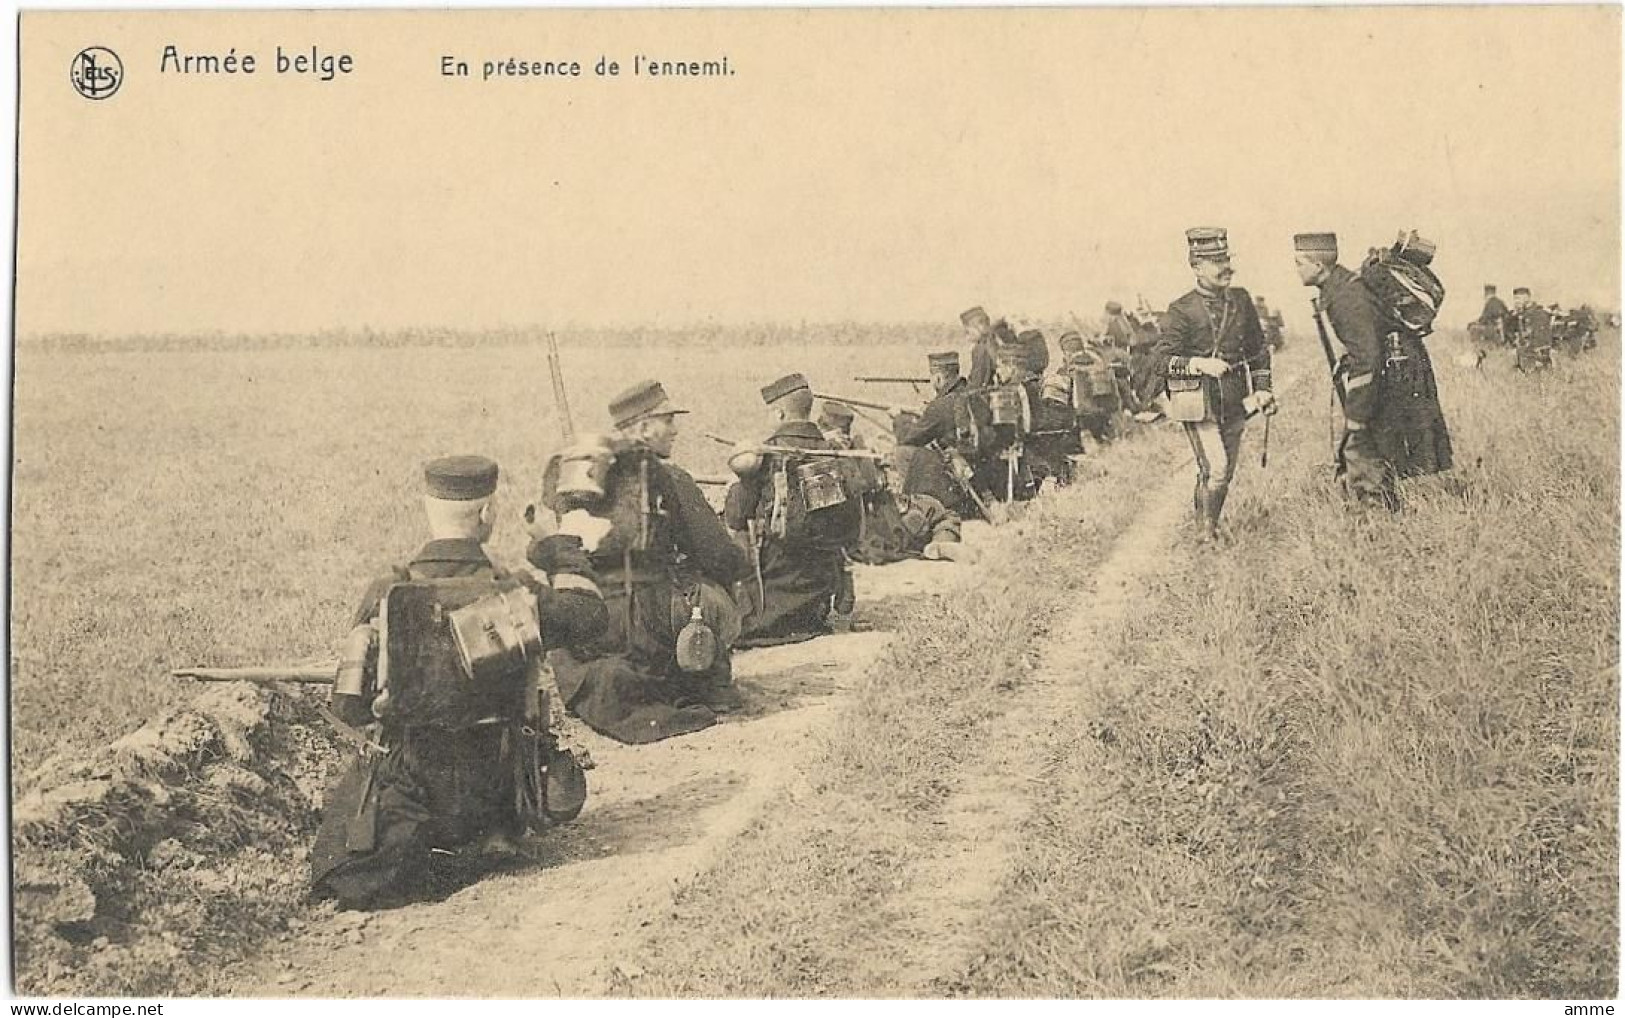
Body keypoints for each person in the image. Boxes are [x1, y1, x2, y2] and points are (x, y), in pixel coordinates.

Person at [309, 455, 610, 910]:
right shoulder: (516, 591)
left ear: (427, 509)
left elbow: (348, 705)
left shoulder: (387, 592)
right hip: (497, 803)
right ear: (488, 515)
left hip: (411, 800)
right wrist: (556, 544)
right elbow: (590, 618)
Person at [539, 380, 752, 745]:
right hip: (647, 621)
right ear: (641, 427)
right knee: (710, 592)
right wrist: (737, 576)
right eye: (666, 420)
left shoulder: (572, 477)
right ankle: (710, 682)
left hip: (587, 621)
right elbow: (715, 552)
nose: (675, 429)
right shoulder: (668, 477)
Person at [1295, 231, 1453, 507]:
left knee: (1361, 446)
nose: (1296, 269)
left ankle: (1374, 522)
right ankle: (1387, 514)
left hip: (1394, 376)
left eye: (1299, 263)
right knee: (1377, 447)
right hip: (1396, 371)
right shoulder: (1344, 287)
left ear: (1318, 266)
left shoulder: (1345, 298)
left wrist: (1356, 414)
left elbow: (1367, 360)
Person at [1143, 227, 1277, 540]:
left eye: (1226, 259)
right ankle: (1206, 532)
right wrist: (1198, 364)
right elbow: (1159, 362)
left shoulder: (1241, 300)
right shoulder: (1181, 309)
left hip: (1235, 401)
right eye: (1216, 261)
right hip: (1197, 404)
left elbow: (1258, 349)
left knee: (1223, 472)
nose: (1226, 267)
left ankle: (1207, 524)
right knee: (1216, 469)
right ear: (1197, 267)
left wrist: (1263, 389)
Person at [726, 374, 863, 646]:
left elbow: (734, 517)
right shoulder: (835, 454)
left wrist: (740, 482)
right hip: (820, 597)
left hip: (772, 600)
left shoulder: (765, 456)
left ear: (778, 413)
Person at [891, 351, 991, 520]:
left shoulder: (940, 406)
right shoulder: (973, 395)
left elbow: (909, 438)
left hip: (957, 474)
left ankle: (921, 506)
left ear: (938, 378)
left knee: (903, 452)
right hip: (979, 470)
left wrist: (899, 419)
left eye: (932, 377)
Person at [1510, 287, 1554, 371]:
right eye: (1515, 299)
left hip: (1537, 359)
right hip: (1525, 357)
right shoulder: (1521, 315)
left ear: (1527, 297)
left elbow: (1542, 340)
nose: (1516, 301)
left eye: (1518, 298)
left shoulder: (1539, 314)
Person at [961, 306, 997, 389]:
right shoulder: (993, 341)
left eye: (968, 331)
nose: (967, 336)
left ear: (978, 327)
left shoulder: (980, 349)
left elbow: (977, 382)